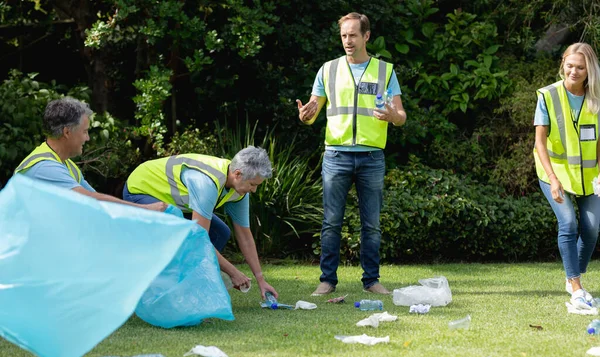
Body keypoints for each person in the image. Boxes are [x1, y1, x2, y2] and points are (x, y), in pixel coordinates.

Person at [296, 12, 407, 296]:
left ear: (366, 36)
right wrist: (304, 116)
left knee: (371, 225)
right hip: (336, 155)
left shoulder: (386, 71)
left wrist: (393, 115)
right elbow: (311, 114)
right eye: (344, 35)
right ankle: (327, 280)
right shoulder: (328, 70)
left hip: (371, 157)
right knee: (331, 221)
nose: (347, 40)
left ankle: (371, 280)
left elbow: (401, 116)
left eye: (353, 35)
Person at [122, 146, 279, 299]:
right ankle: (164, 289)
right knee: (182, 236)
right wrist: (232, 272)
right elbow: (199, 238)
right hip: (140, 191)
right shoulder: (206, 183)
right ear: (237, 174)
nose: (254, 190)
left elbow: (244, 236)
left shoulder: (239, 191)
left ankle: (187, 286)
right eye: (253, 184)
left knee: (220, 233)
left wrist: (261, 280)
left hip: (175, 204)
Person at [533, 42, 600, 310]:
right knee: (569, 223)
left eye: (580, 67)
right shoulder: (548, 96)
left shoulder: (597, 97)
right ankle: (575, 285)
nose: (574, 71)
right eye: (570, 65)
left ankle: (574, 275)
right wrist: (553, 178)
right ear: (563, 63)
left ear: (589, 70)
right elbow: (539, 143)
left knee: (593, 227)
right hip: (553, 172)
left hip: (588, 176)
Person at [14, 97, 166, 213]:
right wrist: (145, 209)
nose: (87, 138)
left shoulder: (65, 164)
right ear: (67, 132)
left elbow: (99, 204)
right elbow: (91, 200)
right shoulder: (45, 167)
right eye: (85, 131)